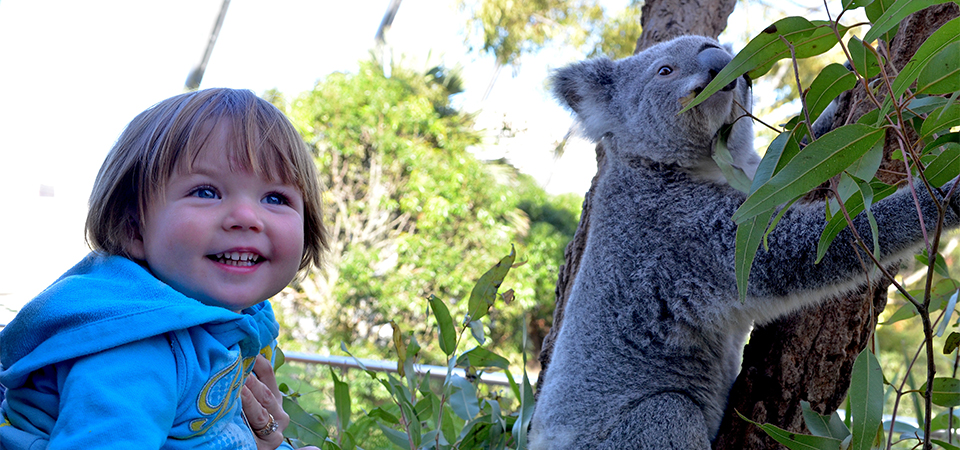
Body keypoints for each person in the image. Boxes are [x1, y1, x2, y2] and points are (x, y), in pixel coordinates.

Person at [0, 88, 326, 450]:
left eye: (275, 198)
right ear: (133, 227)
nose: (247, 217)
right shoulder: (136, 349)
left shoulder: (226, 321)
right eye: (206, 191)